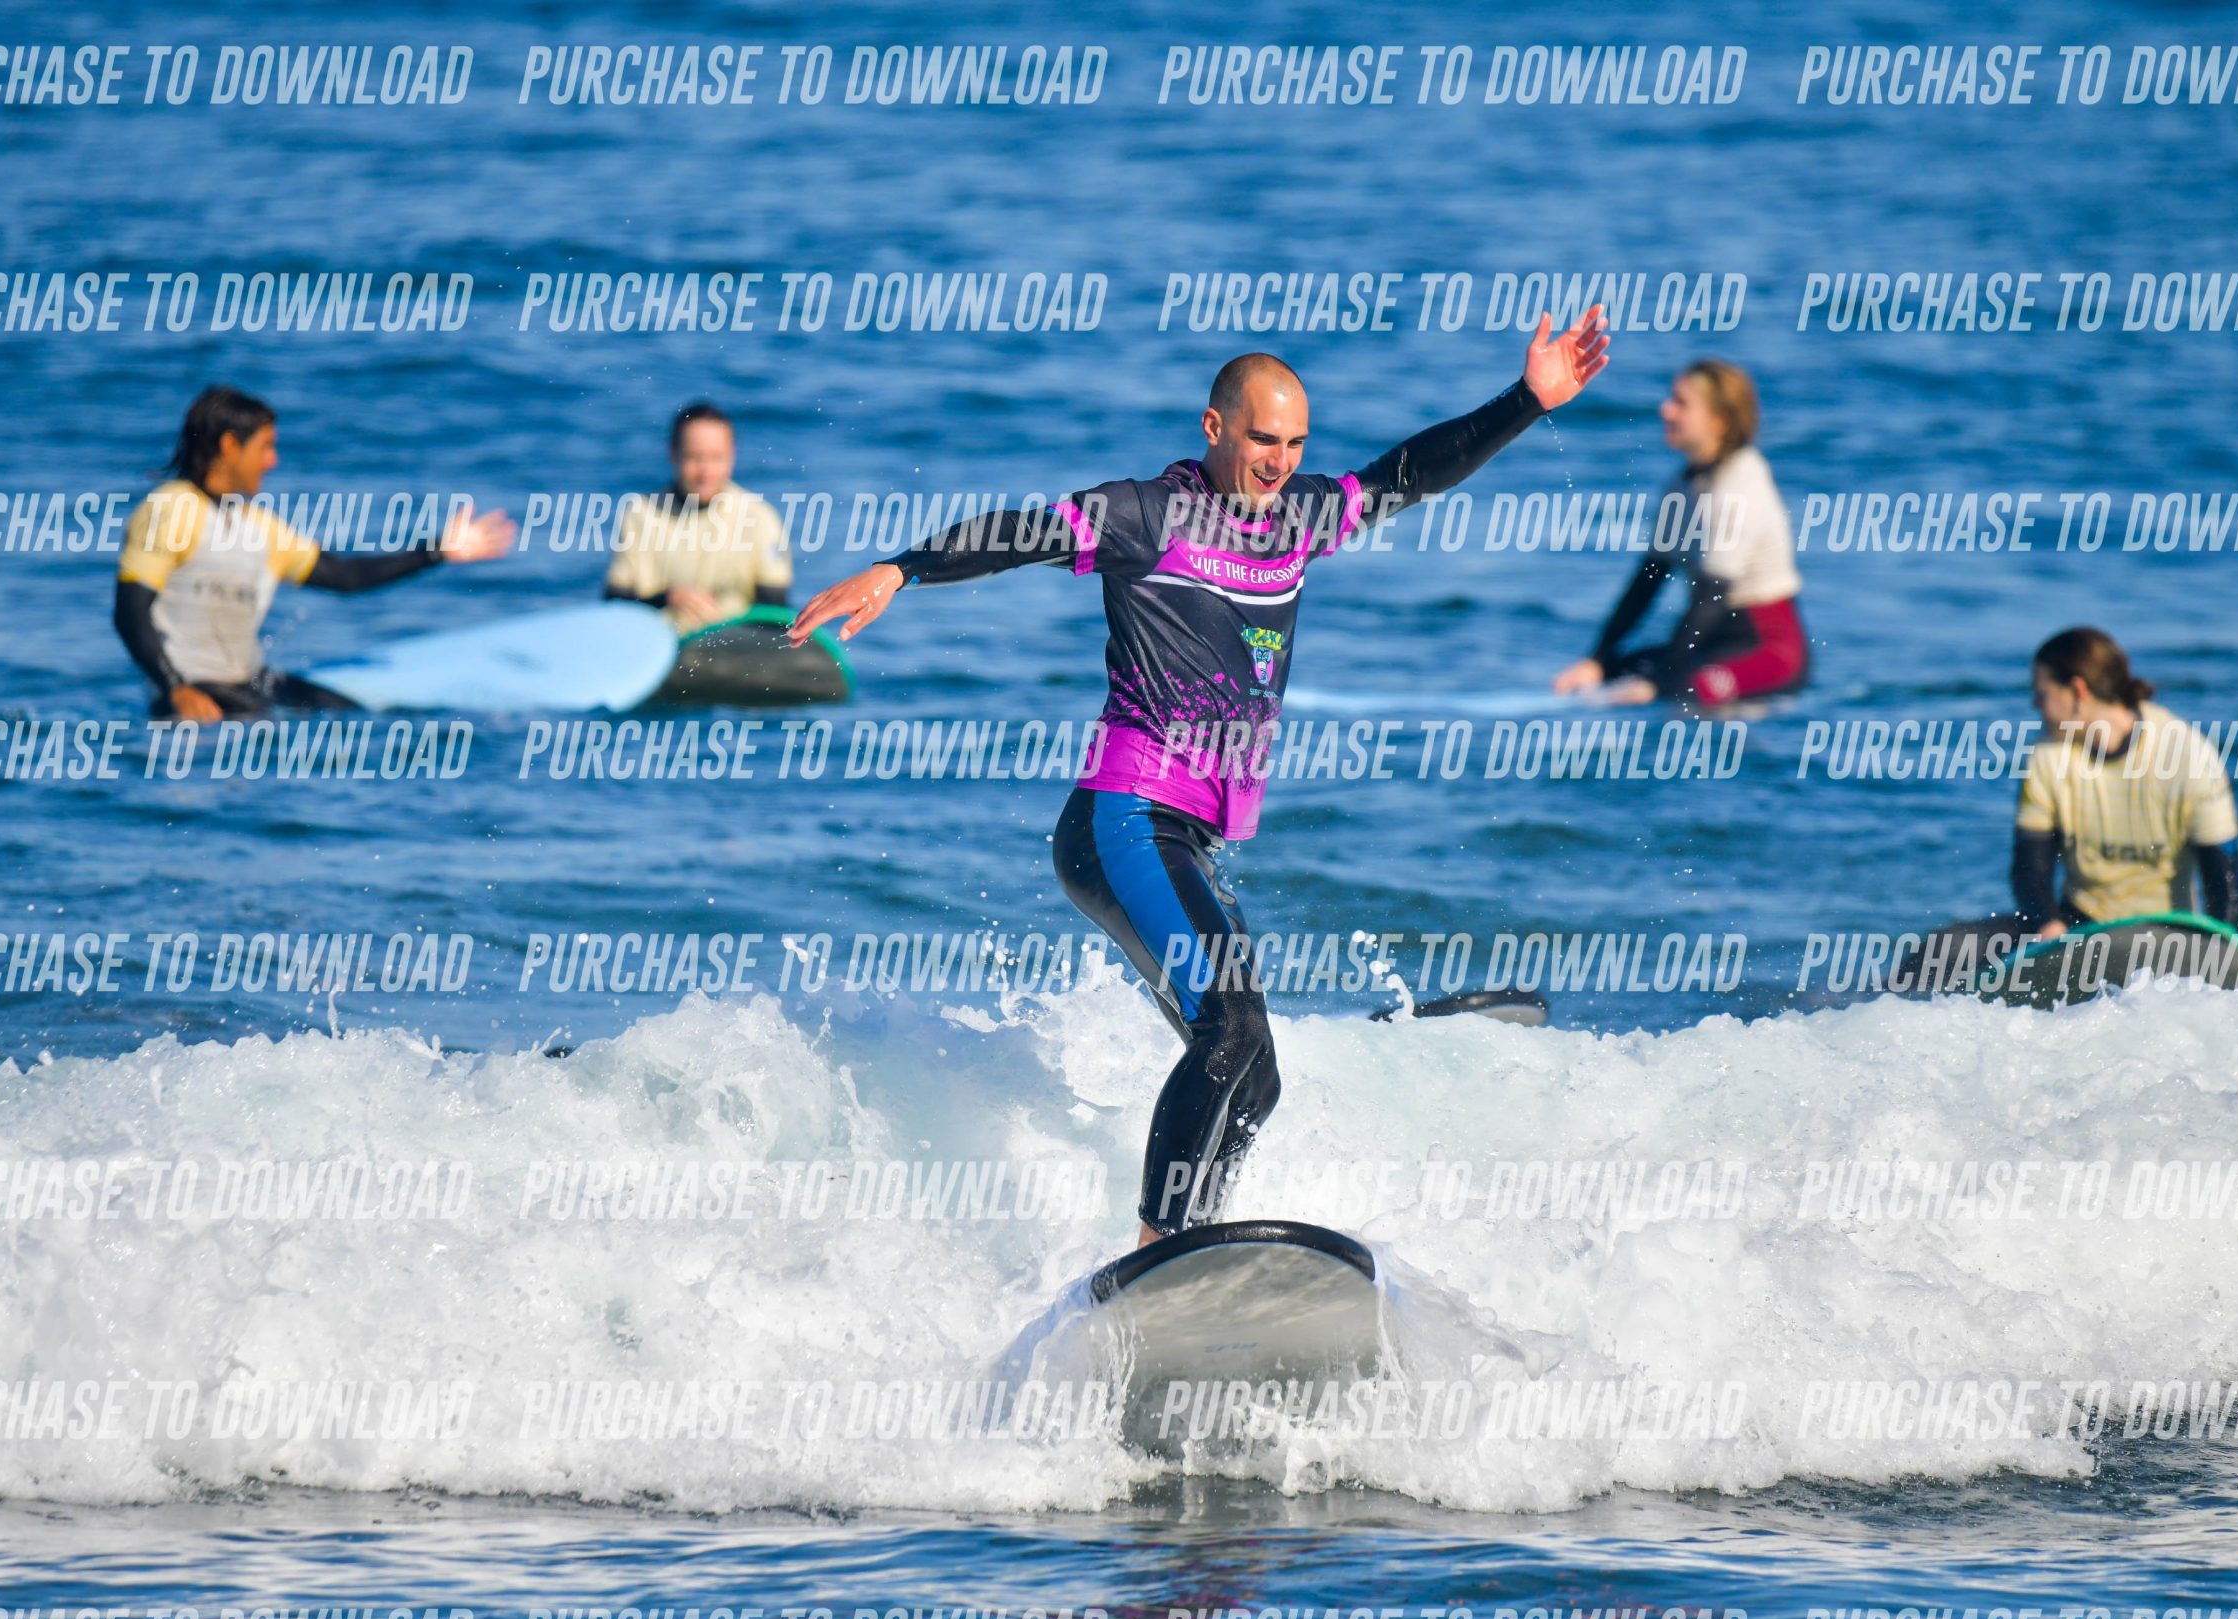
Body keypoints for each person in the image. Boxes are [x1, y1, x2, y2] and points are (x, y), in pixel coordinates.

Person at [790, 308, 1611, 1247]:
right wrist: (903, 569)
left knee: (1254, 1074)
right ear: (1216, 426)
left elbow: (1411, 472)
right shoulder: (1146, 515)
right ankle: (1157, 1249)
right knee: (1229, 1027)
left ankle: (1196, 1255)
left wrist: (1527, 399)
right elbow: (1021, 532)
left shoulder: (1300, 518)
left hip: (1189, 837)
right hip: (1125, 817)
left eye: (1296, 443)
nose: (1280, 462)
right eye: (1263, 439)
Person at [116, 386, 515, 721]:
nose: (273, 461)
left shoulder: (257, 525)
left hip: (248, 682)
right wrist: (177, 689)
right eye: (265, 447)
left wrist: (435, 552)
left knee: (353, 716)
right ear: (229, 445)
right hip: (191, 691)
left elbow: (343, 576)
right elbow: (130, 611)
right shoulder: (170, 510)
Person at [1899, 627, 2238, 988]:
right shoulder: (2049, 755)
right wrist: (2048, 923)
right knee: (1945, 948)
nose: (2036, 705)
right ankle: (1870, 1011)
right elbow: (2030, 867)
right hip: (2078, 928)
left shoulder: (2188, 755)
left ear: (2078, 691)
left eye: (2042, 693)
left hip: (2164, 938)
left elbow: (2225, 888)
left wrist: (2222, 962)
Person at [1552, 359, 1807, 708]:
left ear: (1719, 421)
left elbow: (1710, 599)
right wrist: (1598, 660)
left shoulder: (1739, 487)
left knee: (1680, 694)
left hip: (1767, 650)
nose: (1665, 409)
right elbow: (1648, 580)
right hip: (1711, 640)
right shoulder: (1684, 484)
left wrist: (1659, 682)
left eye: (1681, 403)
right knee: (1618, 675)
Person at [602, 402, 793, 630]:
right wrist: (666, 599)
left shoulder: (760, 518)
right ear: (672, 454)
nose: (706, 471)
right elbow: (614, 607)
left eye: (716, 458)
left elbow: (775, 615)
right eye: (694, 457)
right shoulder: (640, 513)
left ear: (732, 456)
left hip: (736, 645)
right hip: (661, 644)